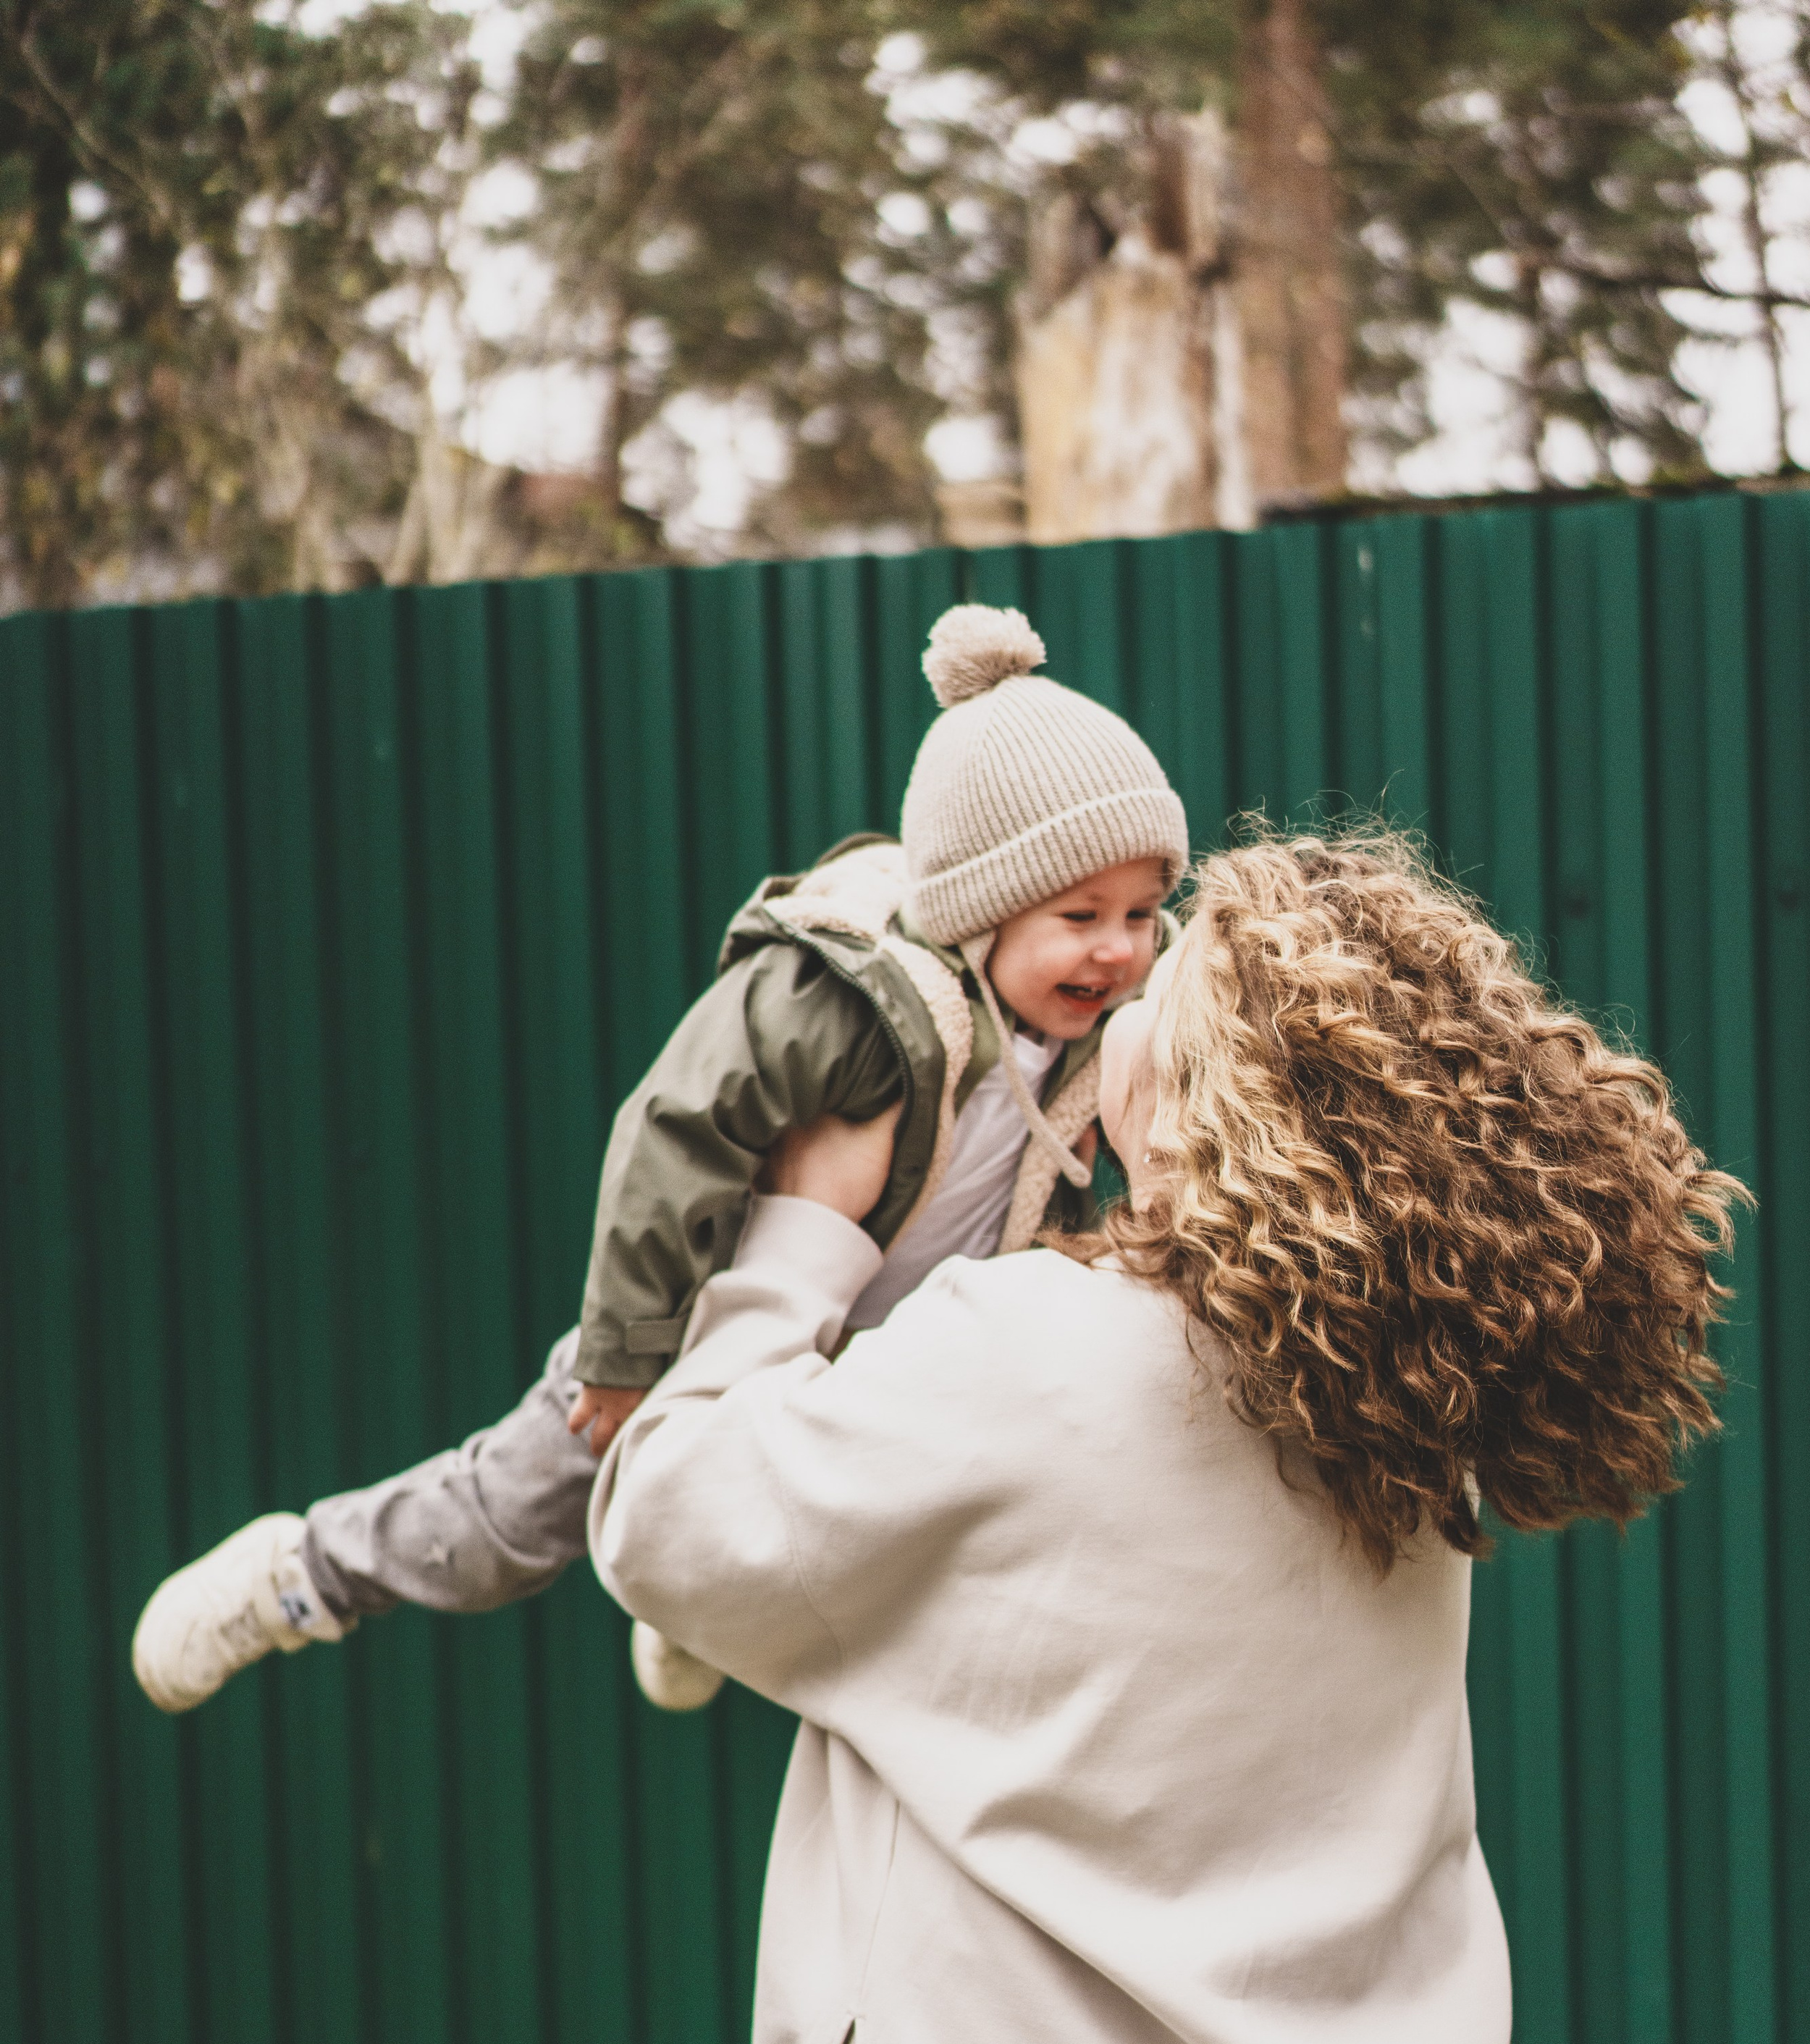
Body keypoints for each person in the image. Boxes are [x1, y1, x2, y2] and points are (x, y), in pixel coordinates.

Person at [591, 828, 1810, 2044]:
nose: (1125, 987)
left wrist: (808, 1235)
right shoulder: (1398, 1423)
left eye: (1167, 977)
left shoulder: (1031, 1362)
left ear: (1218, 1084)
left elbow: (668, 1522)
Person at [130, 605, 1186, 1718]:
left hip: (873, 1364)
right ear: (984, 908)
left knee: (882, 1541)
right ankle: (308, 1575)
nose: (1118, 948)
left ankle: (697, 1604)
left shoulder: (1100, 1033)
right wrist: (626, 1348)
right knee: (510, 1523)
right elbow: (677, 1123)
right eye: (1081, 915)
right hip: (692, 1328)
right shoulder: (854, 1002)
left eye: (1143, 911)